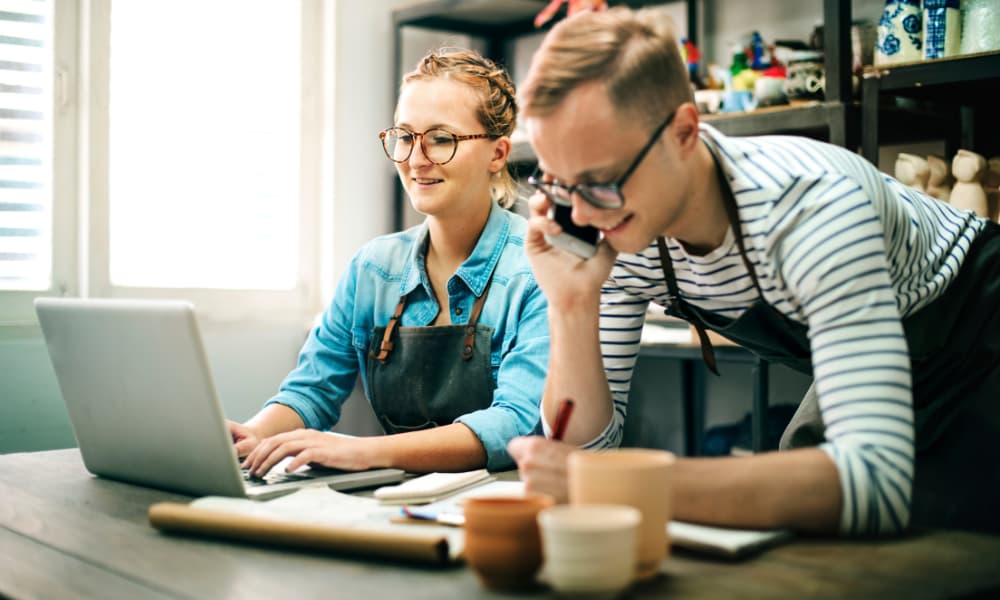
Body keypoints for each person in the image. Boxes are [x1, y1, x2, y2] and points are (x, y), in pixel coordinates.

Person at [507, 6, 1000, 535]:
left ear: (683, 132)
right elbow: (586, 448)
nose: (579, 215)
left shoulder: (810, 208)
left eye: (600, 181)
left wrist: (621, 486)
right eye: (559, 183)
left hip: (975, 325)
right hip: (887, 338)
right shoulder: (613, 223)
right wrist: (571, 304)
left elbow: (870, 481)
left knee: (957, 524)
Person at [233, 49, 549, 477]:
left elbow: (514, 424)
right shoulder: (372, 269)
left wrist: (364, 452)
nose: (416, 159)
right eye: (405, 136)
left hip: (495, 514)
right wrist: (251, 436)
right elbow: (311, 390)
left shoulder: (537, 270)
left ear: (497, 154)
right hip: (395, 504)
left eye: (441, 138)